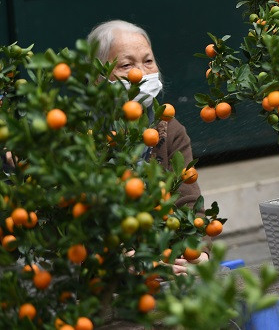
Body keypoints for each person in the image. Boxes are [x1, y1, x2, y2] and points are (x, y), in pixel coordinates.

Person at [87, 20, 210, 273]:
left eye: (148, 61)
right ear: (98, 77)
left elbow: (188, 202)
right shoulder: (81, 134)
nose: (141, 73)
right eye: (127, 65)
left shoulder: (169, 128)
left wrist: (197, 253)